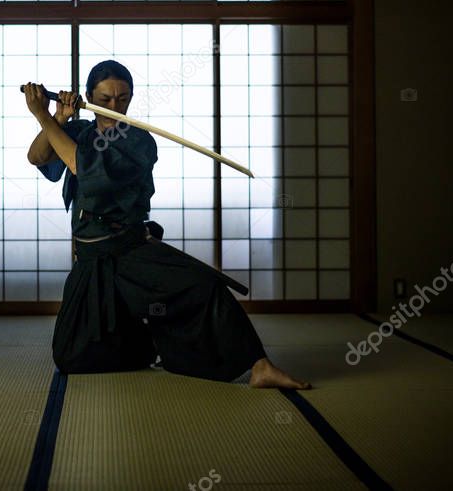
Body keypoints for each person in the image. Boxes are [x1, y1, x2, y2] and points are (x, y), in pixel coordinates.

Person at [24, 60, 311, 389]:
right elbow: (38, 157)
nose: (114, 105)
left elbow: (81, 168)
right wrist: (57, 118)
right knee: (70, 357)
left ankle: (259, 365)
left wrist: (43, 116)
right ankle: (148, 343)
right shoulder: (78, 133)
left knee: (203, 285)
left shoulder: (139, 141)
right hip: (90, 260)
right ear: (88, 97)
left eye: (122, 98)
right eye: (104, 99)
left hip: (129, 248)